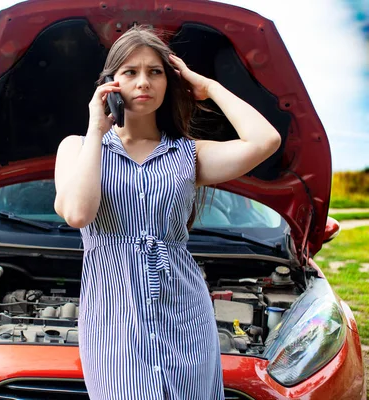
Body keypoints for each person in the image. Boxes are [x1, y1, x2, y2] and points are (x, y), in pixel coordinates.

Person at [53, 25, 281, 400]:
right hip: (115, 321)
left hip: (186, 317)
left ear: (168, 81)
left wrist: (207, 87)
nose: (143, 81)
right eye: (130, 72)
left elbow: (266, 141)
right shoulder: (76, 147)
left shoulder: (188, 154)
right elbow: (78, 214)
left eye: (154, 72)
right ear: (111, 84)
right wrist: (97, 129)